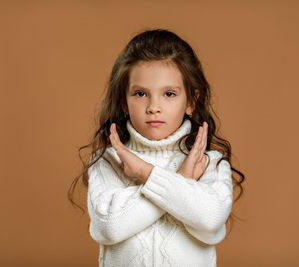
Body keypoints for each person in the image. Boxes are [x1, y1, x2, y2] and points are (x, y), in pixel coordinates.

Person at [68, 28, 245, 267]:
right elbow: (109, 227)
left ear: (191, 101)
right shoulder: (108, 161)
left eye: (169, 94)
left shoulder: (209, 162)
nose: (154, 106)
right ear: (124, 102)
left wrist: (145, 174)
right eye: (141, 93)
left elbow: (210, 219)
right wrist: (181, 178)